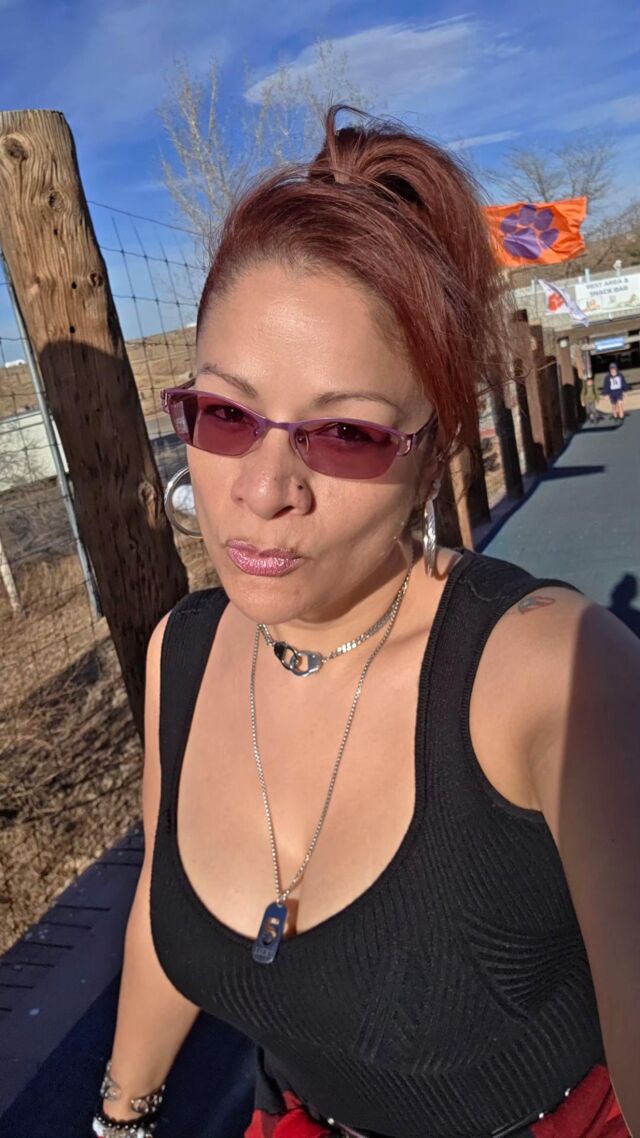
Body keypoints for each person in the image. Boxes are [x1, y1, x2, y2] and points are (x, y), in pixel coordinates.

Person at [92, 108, 640, 1138]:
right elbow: (164, 919)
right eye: (226, 414)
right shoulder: (183, 654)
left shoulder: (553, 675)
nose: (264, 490)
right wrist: (120, 1116)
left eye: (344, 432)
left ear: (434, 455)